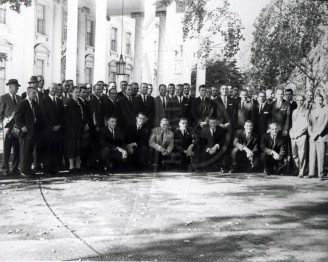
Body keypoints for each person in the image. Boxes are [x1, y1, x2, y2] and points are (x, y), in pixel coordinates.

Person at [14, 87, 42, 178]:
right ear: (28, 93)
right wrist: (22, 126)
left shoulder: (33, 103)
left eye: (36, 93)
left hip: (33, 132)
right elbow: (17, 116)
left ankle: (28, 170)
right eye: (33, 93)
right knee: (24, 152)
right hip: (25, 133)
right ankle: (23, 171)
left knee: (30, 152)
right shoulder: (23, 103)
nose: (35, 95)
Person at [41, 83, 65, 175]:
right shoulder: (44, 100)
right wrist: (52, 127)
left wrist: (59, 126)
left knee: (56, 150)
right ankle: (47, 169)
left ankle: (55, 169)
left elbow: (63, 116)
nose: (54, 90)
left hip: (58, 130)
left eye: (56, 89)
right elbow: (44, 115)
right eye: (52, 88)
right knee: (48, 150)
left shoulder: (59, 101)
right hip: (48, 130)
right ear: (49, 89)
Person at [0, 79, 22, 176]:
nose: (17, 88)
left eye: (17, 86)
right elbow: (0, 113)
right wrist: (3, 123)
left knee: (17, 147)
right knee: (7, 148)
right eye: (15, 86)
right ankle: (5, 168)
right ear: (10, 87)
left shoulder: (20, 98)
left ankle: (14, 168)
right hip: (8, 127)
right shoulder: (3, 98)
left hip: (17, 127)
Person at [308, 95, 328, 180]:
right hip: (312, 136)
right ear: (315, 101)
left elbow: (325, 124)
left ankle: (321, 174)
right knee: (312, 154)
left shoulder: (326, 109)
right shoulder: (312, 110)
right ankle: (311, 173)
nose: (319, 102)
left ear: (323, 100)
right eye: (317, 100)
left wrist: (317, 133)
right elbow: (309, 123)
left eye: (321, 100)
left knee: (321, 155)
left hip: (322, 136)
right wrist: (311, 133)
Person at [64, 86, 84, 173]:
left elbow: (83, 115)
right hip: (72, 128)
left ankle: (78, 165)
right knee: (72, 147)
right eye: (75, 92)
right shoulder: (71, 103)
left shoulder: (80, 102)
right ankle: (71, 166)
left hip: (78, 128)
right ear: (72, 93)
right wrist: (82, 125)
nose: (77, 94)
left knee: (78, 147)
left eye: (78, 92)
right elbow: (74, 117)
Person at [289, 95, 309, 178]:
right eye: (298, 100)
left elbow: (306, 125)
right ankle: (296, 169)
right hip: (294, 135)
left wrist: (298, 134)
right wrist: (292, 133)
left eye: (301, 100)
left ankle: (302, 171)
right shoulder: (294, 111)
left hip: (302, 135)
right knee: (294, 154)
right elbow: (293, 123)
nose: (299, 102)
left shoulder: (306, 111)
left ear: (304, 101)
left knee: (302, 154)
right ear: (296, 100)